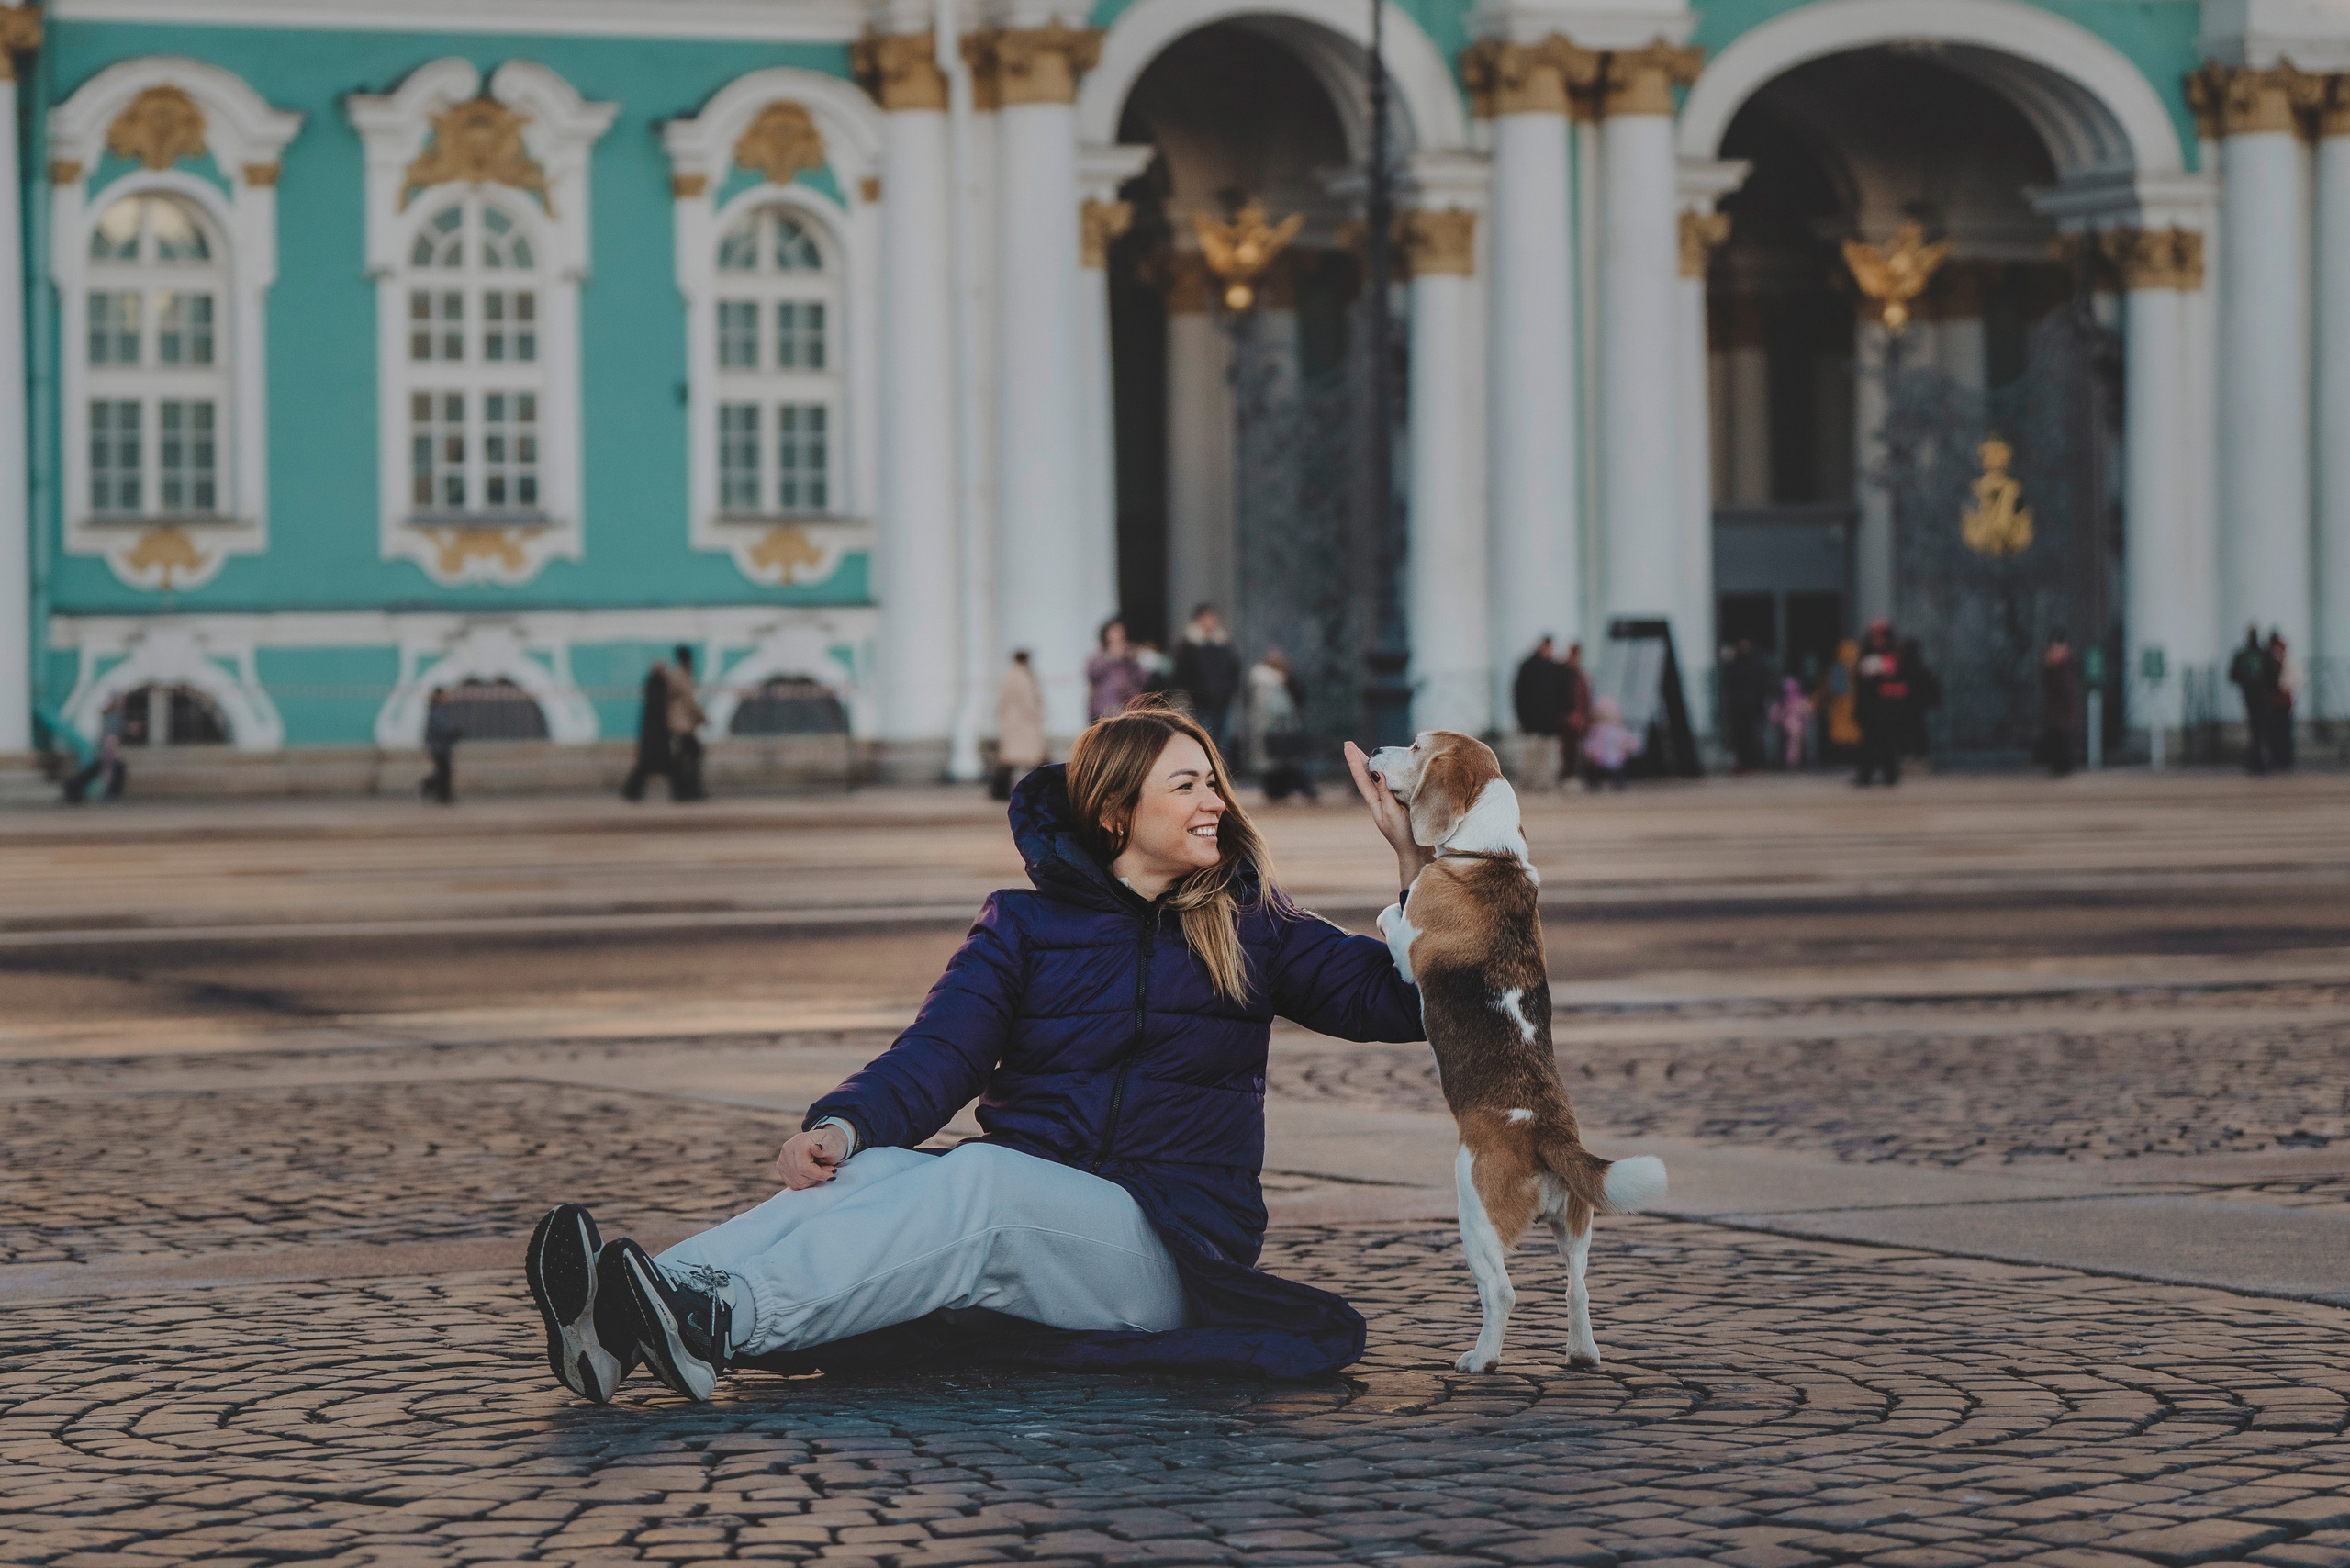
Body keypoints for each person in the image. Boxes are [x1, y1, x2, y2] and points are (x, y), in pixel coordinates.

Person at [523, 701, 1427, 1403]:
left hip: (1171, 1248)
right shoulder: (1024, 924)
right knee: (876, 1177)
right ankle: (629, 1306)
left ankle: (716, 1318)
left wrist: (1418, 862)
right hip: (1040, 1224)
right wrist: (843, 1127)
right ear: (1117, 813)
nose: (1214, 803)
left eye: (1211, 782)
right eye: (1187, 785)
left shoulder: (1254, 925)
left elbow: (1406, 1000)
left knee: (981, 1185)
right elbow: (941, 1050)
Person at [1246, 647, 1316, 803]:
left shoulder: (1269, 682)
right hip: (1272, 729)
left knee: (1277, 764)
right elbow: (1278, 709)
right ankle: (1288, 792)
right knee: (1278, 764)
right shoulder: (1268, 683)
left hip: (1269, 729)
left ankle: (1280, 792)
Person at [1170, 604, 1241, 757]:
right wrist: (1194, 693)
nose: (1212, 621)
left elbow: (1234, 669)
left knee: (1222, 744)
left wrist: (1230, 690)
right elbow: (1181, 674)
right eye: (1208, 617)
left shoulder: (1222, 643)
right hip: (1200, 703)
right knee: (1203, 742)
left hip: (1223, 701)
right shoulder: (1189, 645)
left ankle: (1220, 777)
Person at [1852, 620, 1908, 787]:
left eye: (1880, 636)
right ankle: (1865, 775)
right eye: (1873, 636)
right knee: (1868, 743)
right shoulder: (1866, 656)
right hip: (1870, 709)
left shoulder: (1893, 657)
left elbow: (1900, 685)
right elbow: (1860, 685)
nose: (1876, 640)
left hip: (1888, 709)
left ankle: (1890, 775)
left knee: (1888, 744)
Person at [991, 650, 1047, 801]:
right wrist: (1037, 715)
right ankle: (1041, 788)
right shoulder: (1023, 676)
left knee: (1009, 760)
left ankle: (1000, 789)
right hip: (1024, 724)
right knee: (1034, 759)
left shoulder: (1009, 675)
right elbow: (1028, 701)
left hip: (1012, 723)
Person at [1512, 636, 1565, 789]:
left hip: (1548, 722)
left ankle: (1543, 783)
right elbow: (1520, 694)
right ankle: (1531, 782)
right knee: (1532, 754)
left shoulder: (1553, 668)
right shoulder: (1529, 666)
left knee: (1546, 755)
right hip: (1533, 721)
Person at [62, 695, 129, 804]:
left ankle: (73, 788)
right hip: (107, 753)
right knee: (114, 770)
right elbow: (111, 739)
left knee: (94, 771)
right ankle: (73, 788)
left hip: (104, 752)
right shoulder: (115, 717)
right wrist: (112, 754)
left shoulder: (109, 716)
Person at [1722, 642, 1773, 776]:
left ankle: (1751, 764)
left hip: (1750, 707)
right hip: (1740, 708)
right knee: (1740, 738)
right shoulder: (1743, 664)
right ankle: (1744, 764)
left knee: (1750, 737)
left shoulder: (1752, 664)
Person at [2229, 624, 2273, 776]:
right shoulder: (2263, 653)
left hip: (2250, 696)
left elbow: (2232, 675)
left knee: (2255, 728)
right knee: (2261, 728)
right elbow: (2273, 675)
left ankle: (2255, 760)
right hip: (2262, 696)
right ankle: (2260, 760)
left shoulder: (2242, 654)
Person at [1085, 620, 1148, 722]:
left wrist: (1133, 660)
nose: (1120, 633)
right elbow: (1092, 675)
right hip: (1104, 707)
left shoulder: (1129, 654)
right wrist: (1111, 657)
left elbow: (1143, 679)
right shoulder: (1099, 656)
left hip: (1128, 707)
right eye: (1115, 630)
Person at [2037, 631, 2078, 778]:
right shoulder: (2055, 669)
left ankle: (2061, 768)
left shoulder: (2064, 669)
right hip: (2057, 717)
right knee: (2056, 743)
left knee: (2062, 745)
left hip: (2062, 718)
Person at [1897, 637, 1941, 763]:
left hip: (1908, 706)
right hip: (1915, 706)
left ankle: (1911, 754)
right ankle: (1917, 754)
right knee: (1917, 730)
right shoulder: (1919, 668)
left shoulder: (1904, 668)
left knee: (1911, 730)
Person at [1582, 696, 1640, 790]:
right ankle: (1594, 783)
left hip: (1616, 759)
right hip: (1598, 760)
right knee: (1594, 772)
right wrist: (1590, 753)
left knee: (1618, 773)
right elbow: (1590, 743)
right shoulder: (1596, 731)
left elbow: (1628, 741)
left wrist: (1628, 747)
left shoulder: (1619, 730)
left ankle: (1618, 783)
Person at [1556, 642, 1593, 788]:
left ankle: (1574, 778)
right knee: (1568, 751)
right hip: (1567, 719)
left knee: (1576, 751)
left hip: (1578, 719)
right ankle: (1567, 778)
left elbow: (1584, 698)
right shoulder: (1564, 674)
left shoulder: (1579, 675)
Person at [1819, 639, 1861, 761]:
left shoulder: (1836, 669)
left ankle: (1840, 759)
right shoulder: (1859, 668)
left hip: (1838, 707)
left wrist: (1817, 701)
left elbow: (1827, 689)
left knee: (1840, 736)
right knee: (1853, 735)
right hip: (1854, 707)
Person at [420, 687, 462, 805]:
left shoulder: (439, 710)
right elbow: (442, 728)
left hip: (441, 745)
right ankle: (438, 791)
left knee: (444, 771)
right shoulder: (436, 711)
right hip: (439, 746)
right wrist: (452, 732)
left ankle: (442, 794)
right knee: (444, 771)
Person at [2267, 629, 2300, 772]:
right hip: (2281, 701)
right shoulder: (2281, 657)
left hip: (2279, 701)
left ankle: (2282, 759)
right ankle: (2283, 758)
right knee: (2282, 732)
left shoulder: (2275, 657)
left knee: (2280, 732)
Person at [1768, 676, 1813, 771]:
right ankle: (1791, 761)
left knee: (1796, 732)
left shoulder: (1802, 701)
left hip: (1798, 725)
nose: (1791, 692)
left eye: (1793, 689)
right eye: (1788, 690)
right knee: (1794, 731)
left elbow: (1809, 713)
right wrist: (1783, 714)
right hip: (1784, 725)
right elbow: (1773, 717)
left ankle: (1793, 761)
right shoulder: (1780, 702)